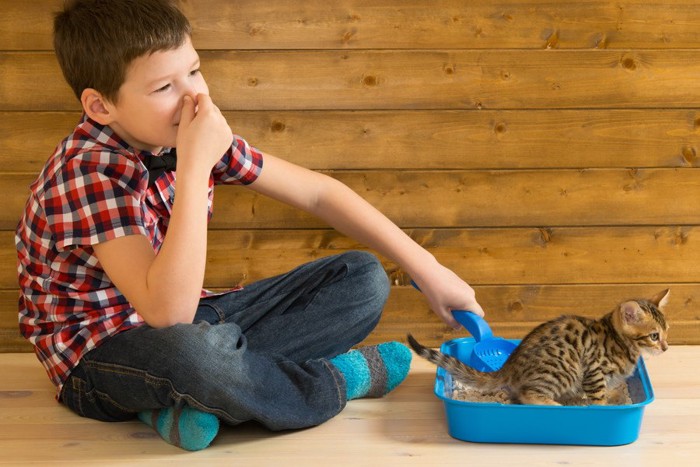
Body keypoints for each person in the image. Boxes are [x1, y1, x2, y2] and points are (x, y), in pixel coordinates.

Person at [15, 0, 484, 451]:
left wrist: (427, 268)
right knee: (190, 357)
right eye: (163, 88)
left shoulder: (181, 134)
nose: (194, 97)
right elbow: (167, 314)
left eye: (194, 71)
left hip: (189, 323)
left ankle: (193, 402)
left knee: (362, 278)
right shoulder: (88, 172)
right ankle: (333, 381)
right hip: (101, 358)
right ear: (100, 107)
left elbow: (319, 193)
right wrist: (197, 166)